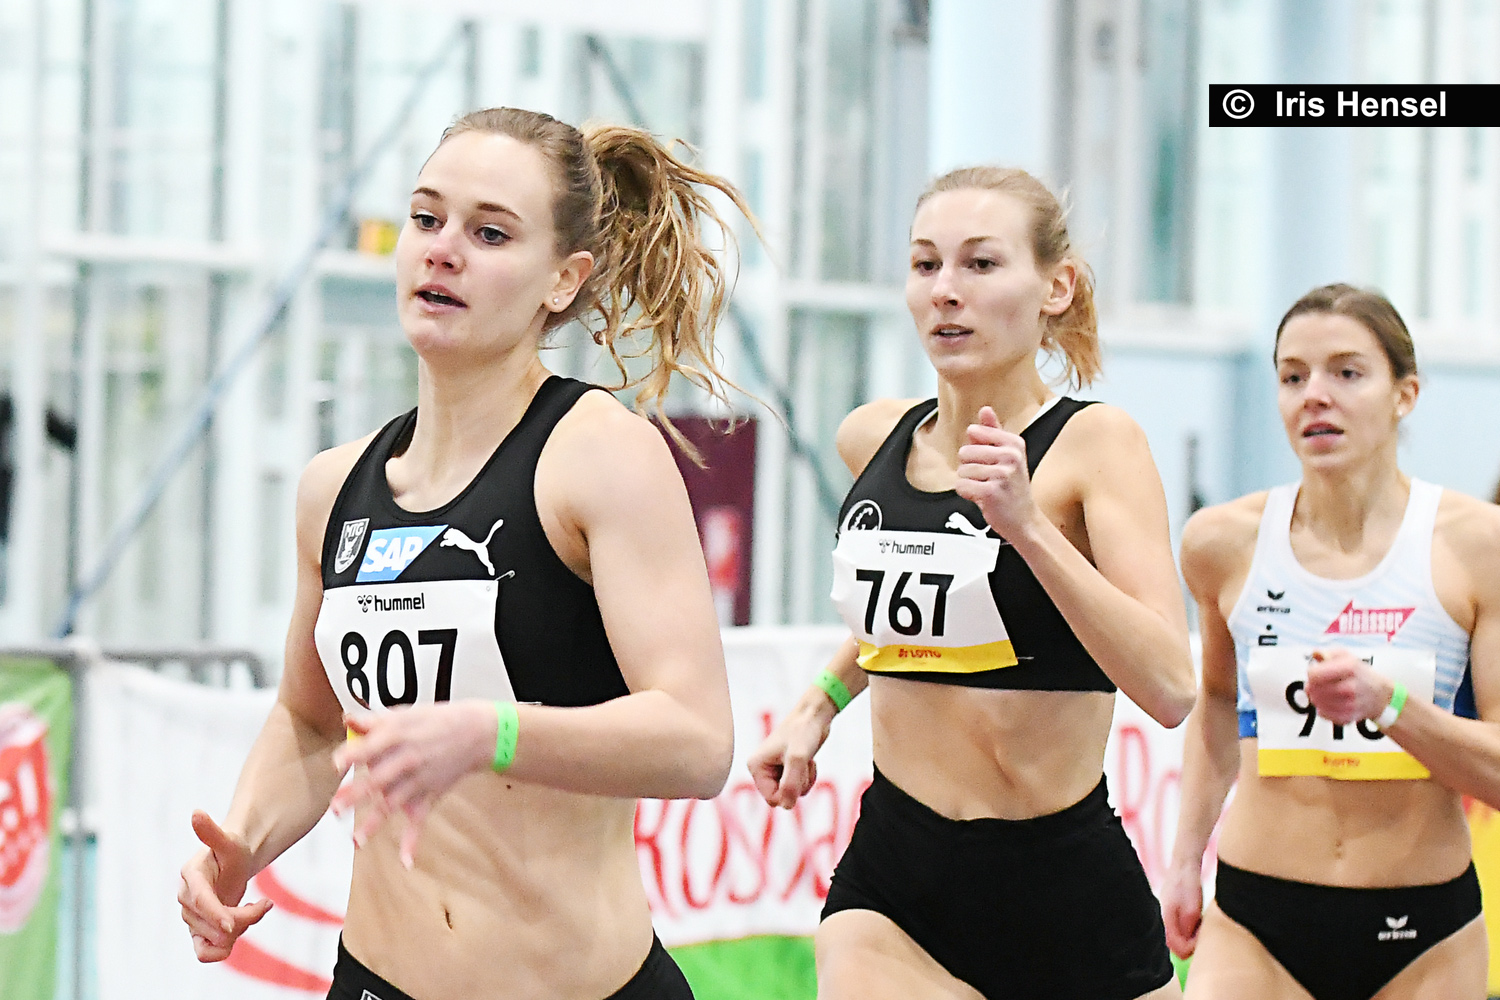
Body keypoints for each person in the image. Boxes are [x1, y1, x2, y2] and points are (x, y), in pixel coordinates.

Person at [177, 107, 754, 999]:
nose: (443, 250)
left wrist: (492, 733)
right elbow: (310, 722)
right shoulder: (334, 488)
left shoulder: (598, 454)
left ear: (563, 279)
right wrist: (240, 844)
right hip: (377, 979)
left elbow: (698, 739)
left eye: (489, 233)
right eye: (426, 218)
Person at [748, 166, 1196, 1000]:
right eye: (926, 265)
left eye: (981, 264)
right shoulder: (871, 438)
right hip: (895, 878)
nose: (946, 290)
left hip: (1063, 885)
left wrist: (1028, 528)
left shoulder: (1096, 446)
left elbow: (1170, 685)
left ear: (1056, 287)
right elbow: (915, 614)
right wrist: (819, 704)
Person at [1162, 283, 1500, 1000]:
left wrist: (1392, 706)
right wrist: (1185, 859)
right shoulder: (1221, 543)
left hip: (1424, 932)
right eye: (1293, 377)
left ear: (1405, 394)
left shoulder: (1478, 547)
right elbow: (1216, 703)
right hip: (1256, 921)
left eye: (1347, 373)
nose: (1315, 395)